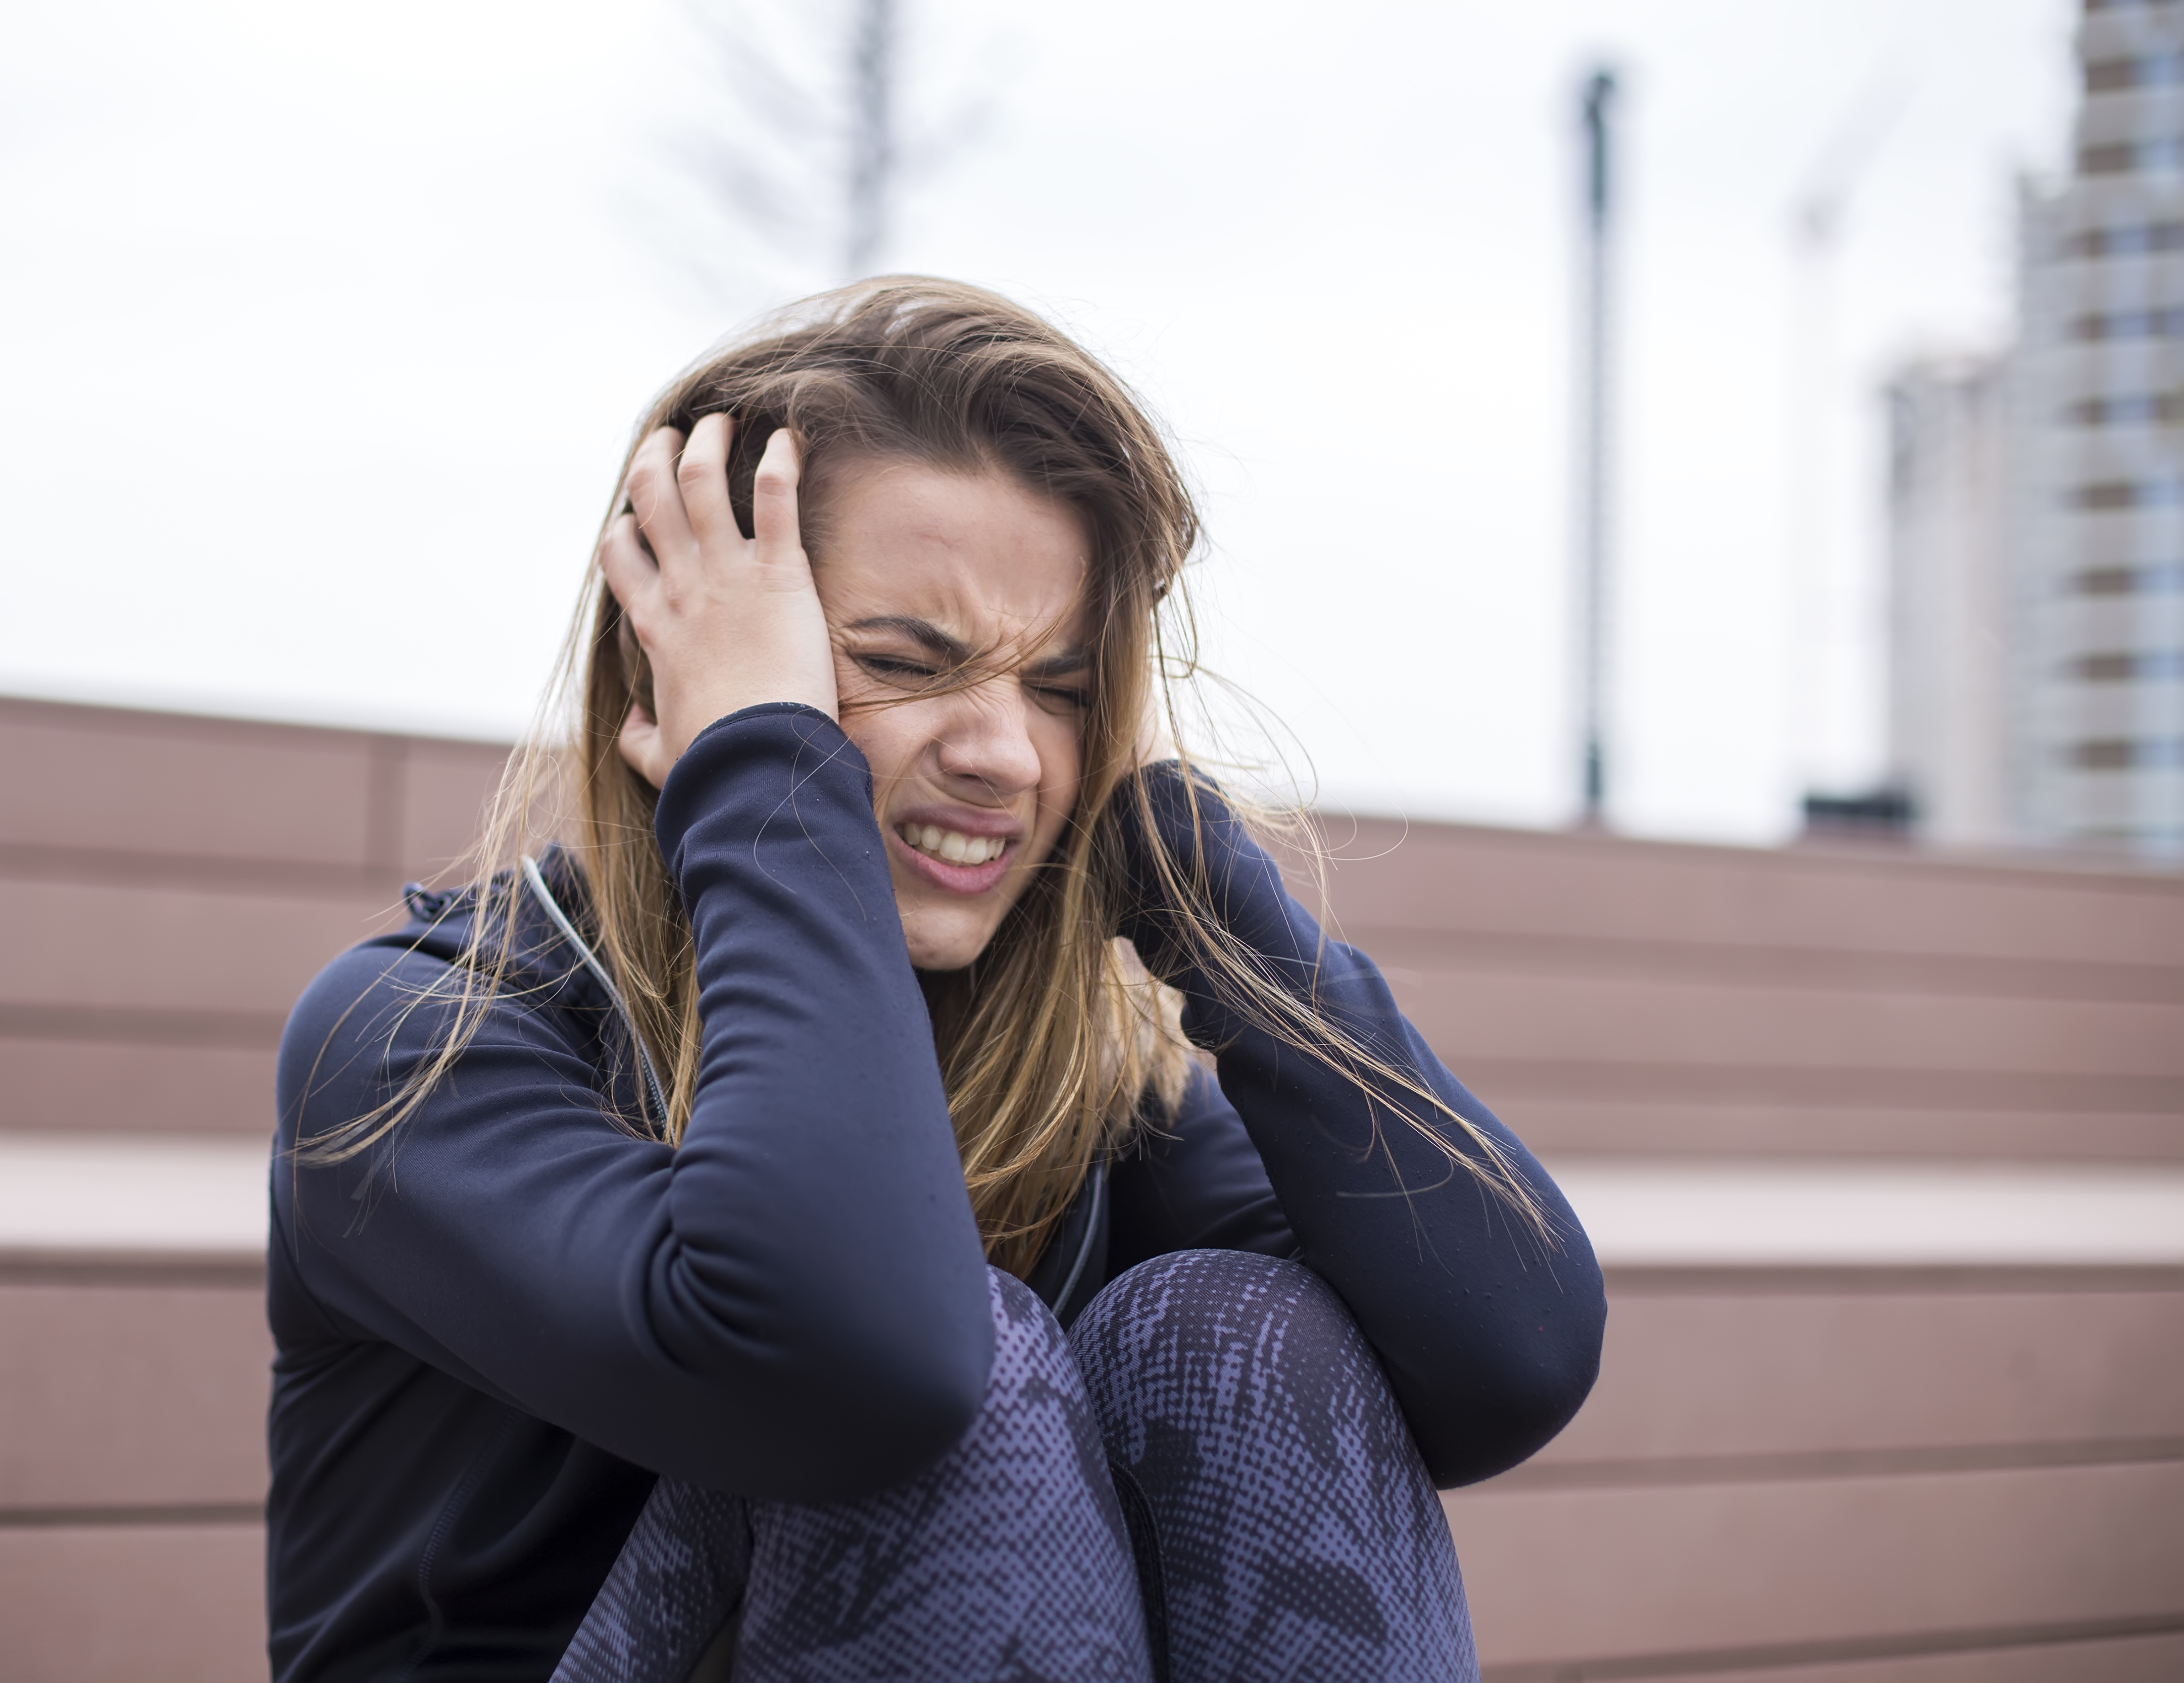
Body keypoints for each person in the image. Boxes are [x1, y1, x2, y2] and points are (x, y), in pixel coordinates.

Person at [265, 278, 1605, 1683]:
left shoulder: (1077, 1100)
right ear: (678, 671)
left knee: (1243, 1336)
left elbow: (1505, 1359)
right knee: (963, 1368)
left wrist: (1208, 899)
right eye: (907, 661)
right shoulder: (412, 1044)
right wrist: (768, 774)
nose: (1008, 756)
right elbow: (858, 1357)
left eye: (1065, 690)